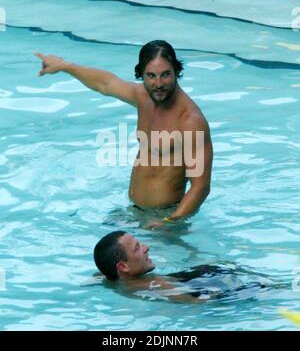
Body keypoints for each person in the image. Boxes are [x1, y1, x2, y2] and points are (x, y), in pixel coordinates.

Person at [35, 40, 213, 227]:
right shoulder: (144, 97)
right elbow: (105, 83)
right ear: (141, 75)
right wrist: (65, 66)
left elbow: (200, 187)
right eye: (151, 76)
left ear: (176, 72)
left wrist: (169, 222)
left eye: (165, 75)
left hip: (166, 218)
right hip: (134, 212)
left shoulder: (190, 121)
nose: (158, 83)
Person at [93, 231, 279, 304]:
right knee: (270, 288)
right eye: (137, 248)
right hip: (212, 289)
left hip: (192, 280)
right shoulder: (157, 286)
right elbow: (198, 303)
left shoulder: (110, 279)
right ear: (122, 266)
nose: (146, 248)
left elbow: (99, 275)